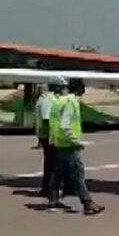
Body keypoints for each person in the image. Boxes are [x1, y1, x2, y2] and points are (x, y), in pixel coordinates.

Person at [47, 78, 104, 215]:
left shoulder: (58, 101)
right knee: (78, 174)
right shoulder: (71, 102)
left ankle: (53, 200)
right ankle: (87, 203)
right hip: (68, 144)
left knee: (58, 173)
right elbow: (65, 125)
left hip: (58, 142)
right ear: (80, 89)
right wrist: (76, 141)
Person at [34, 80, 65, 196]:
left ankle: (47, 188)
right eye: (62, 87)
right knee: (53, 164)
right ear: (57, 88)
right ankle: (50, 190)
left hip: (46, 135)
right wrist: (53, 137)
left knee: (50, 163)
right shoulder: (48, 99)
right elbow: (46, 119)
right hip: (48, 135)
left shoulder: (46, 98)